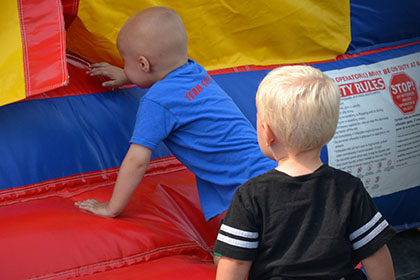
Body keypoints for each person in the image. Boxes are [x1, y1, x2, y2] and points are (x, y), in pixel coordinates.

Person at [75, 6, 276, 222]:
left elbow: (137, 160)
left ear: (143, 64)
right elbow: (166, 81)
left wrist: (111, 208)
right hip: (272, 169)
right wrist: (128, 75)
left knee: (228, 255)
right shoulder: (195, 71)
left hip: (250, 191)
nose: (125, 66)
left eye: (126, 61)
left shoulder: (157, 102)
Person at [213, 65, 396, 280]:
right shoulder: (348, 188)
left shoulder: (250, 195)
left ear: (267, 132)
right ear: (331, 129)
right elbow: (374, 251)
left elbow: (235, 261)